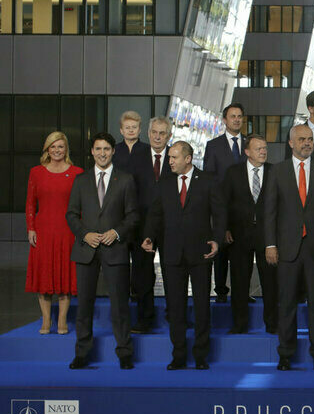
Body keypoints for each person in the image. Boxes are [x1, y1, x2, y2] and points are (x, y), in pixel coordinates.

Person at [264, 124, 314, 372]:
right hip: (287, 249)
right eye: (301, 139)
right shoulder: (278, 171)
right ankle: (285, 355)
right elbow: (270, 212)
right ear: (291, 143)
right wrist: (270, 244)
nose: (307, 143)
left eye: (309, 139)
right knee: (286, 305)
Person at [141, 141, 224, 370]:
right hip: (172, 254)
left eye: (174, 157)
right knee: (175, 307)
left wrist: (217, 239)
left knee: (202, 307)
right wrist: (149, 236)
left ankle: (200, 355)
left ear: (188, 159)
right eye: (169, 157)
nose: (169, 161)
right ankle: (178, 355)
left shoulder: (208, 181)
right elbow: (155, 214)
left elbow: (219, 214)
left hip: (201, 254)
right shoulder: (164, 183)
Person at [66, 132, 139, 370]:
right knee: (84, 305)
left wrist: (116, 232)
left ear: (113, 151)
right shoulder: (81, 180)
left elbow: (133, 216)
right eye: (98, 149)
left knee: (119, 305)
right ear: (92, 152)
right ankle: (82, 354)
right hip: (86, 248)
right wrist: (84, 234)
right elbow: (71, 214)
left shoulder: (125, 179)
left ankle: (125, 353)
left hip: (115, 248)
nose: (102, 153)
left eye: (106, 149)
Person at [26, 131, 83, 335]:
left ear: (66, 149)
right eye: (53, 146)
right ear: (47, 149)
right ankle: (46, 320)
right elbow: (30, 203)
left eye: (60, 146)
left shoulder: (77, 172)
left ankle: (62, 320)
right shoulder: (36, 172)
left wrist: (81, 231)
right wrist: (31, 228)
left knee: (65, 277)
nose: (57, 150)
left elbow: (81, 205)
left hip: (68, 231)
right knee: (44, 277)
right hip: (43, 231)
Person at [221, 134, 278, 334]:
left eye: (265, 148)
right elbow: (223, 202)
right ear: (247, 152)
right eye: (258, 148)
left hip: (267, 236)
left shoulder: (275, 171)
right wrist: (224, 228)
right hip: (238, 236)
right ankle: (239, 324)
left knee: (270, 282)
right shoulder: (233, 172)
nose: (263, 151)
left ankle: (272, 324)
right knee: (239, 282)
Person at [128, 116, 175, 333]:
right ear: (148, 134)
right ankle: (145, 319)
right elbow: (129, 192)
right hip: (141, 225)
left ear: (169, 136)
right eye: (154, 132)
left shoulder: (176, 156)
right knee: (143, 273)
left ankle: (175, 316)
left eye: (162, 133)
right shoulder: (136, 158)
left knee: (172, 272)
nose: (157, 137)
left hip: (170, 225)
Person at [203, 103, 246, 304]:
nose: (236, 119)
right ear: (224, 120)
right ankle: (221, 290)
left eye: (239, 116)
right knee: (221, 252)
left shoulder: (250, 144)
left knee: (242, 255)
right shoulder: (213, 146)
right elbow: (210, 179)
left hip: (245, 209)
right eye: (232, 116)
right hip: (221, 207)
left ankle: (241, 293)